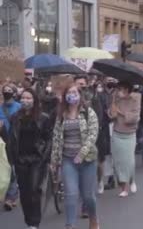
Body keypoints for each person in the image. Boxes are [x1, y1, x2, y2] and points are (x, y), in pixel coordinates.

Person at [50, 83, 99, 229]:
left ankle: (94, 219)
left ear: (80, 95)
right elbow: (56, 137)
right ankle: (70, 225)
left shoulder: (88, 112)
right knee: (70, 194)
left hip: (87, 160)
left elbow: (93, 134)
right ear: (65, 96)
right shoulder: (61, 115)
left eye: (74, 92)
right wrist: (54, 160)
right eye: (69, 92)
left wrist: (82, 153)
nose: (72, 95)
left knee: (88, 196)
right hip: (68, 160)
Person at [0, 88, 51, 228]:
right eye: (23, 98)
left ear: (34, 100)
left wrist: (45, 158)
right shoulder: (15, 117)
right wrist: (11, 159)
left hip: (37, 159)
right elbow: (11, 139)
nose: (25, 101)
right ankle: (29, 221)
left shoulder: (43, 118)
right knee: (24, 193)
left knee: (34, 190)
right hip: (20, 159)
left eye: (29, 98)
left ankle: (34, 223)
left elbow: (48, 139)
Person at [109, 81, 141, 197]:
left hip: (129, 134)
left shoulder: (136, 99)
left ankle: (132, 179)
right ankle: (124, 188)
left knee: (129, 161)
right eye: (118, 89)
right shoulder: (116, 99)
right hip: (117, 132)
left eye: (121, 89)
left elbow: (135, 117)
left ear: (127, 90)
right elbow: (111, 116)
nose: (119, 92)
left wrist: (121, 112)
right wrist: (112, 106)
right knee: (118, 162)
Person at [1, 84, 21, 211]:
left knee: (13, 169)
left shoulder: (19, 107)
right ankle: (11, 195)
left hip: (16, 142)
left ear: (13, 93)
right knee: (6, 168)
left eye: (9, 91)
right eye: (5, 91)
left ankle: (10, 197)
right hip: (2, 142)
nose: (6, 92)